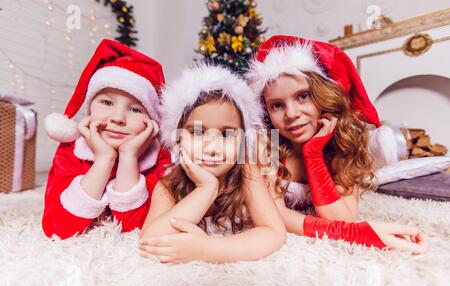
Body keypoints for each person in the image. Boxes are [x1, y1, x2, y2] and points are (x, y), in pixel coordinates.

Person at [245, 35, 428, 253]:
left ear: (324, 97)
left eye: (303, 96)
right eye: (277, 105)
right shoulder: (266, 146)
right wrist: (358, 234)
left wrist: (313, 155)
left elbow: (344, 217)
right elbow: (276, 216)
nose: (291, 114)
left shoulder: (342, 146)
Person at [139, 63, 286, 263]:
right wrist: (205, 188)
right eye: (197, 132)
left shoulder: (247, 173)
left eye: (227, 134)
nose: (212, 148)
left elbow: (274, 233)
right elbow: (150, 240)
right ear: (179, 139)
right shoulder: (169, 184)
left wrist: (208, 249)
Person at [42, 39, 171, 239]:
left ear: (151, 122)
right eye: (107, 102)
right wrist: (104, 159)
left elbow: (135, 228)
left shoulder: (159, 159)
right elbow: (57, 229)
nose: (118, 118)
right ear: (90, 108)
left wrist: (128, 157)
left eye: (135, 109)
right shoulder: (71, 150)